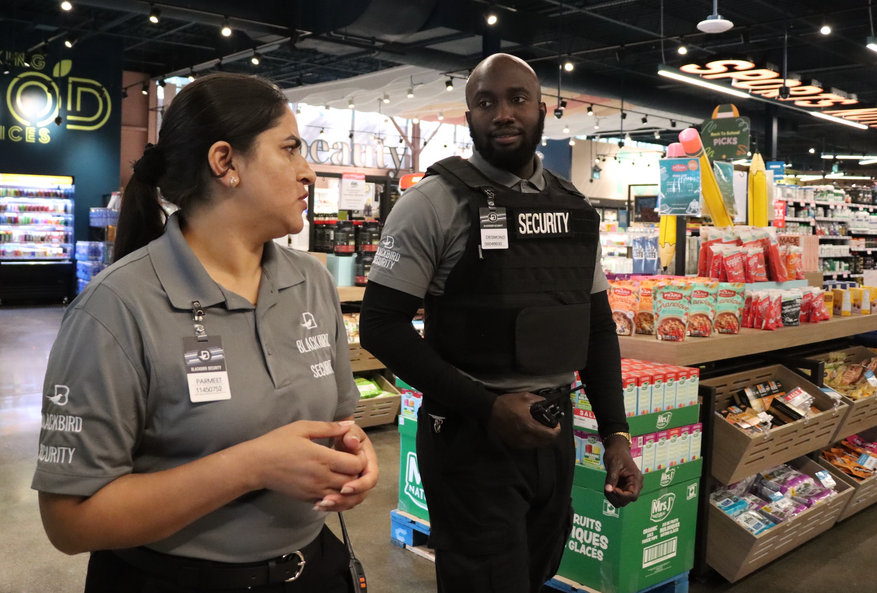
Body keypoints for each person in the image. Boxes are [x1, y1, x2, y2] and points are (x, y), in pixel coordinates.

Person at [32, 73, 379, 593]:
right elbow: (70, 522)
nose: (308, 172)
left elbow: (335, 419)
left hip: (314, 568)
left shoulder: (311, 282)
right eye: (290, 150)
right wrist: (252, 465)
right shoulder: (117, 307)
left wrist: (354, 456)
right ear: (226, 163)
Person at [359, 54, 642, 593]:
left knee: (536, 575)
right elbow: (379, 326)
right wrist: (487, 407)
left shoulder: (575, 208)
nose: (503, 114)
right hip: (470, 441)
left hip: (552, 437)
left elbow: (597, 330)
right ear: (468, 116)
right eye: (486, 103)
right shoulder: (432, 204)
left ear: (543, 110)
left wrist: (616, 437)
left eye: (517, 99)